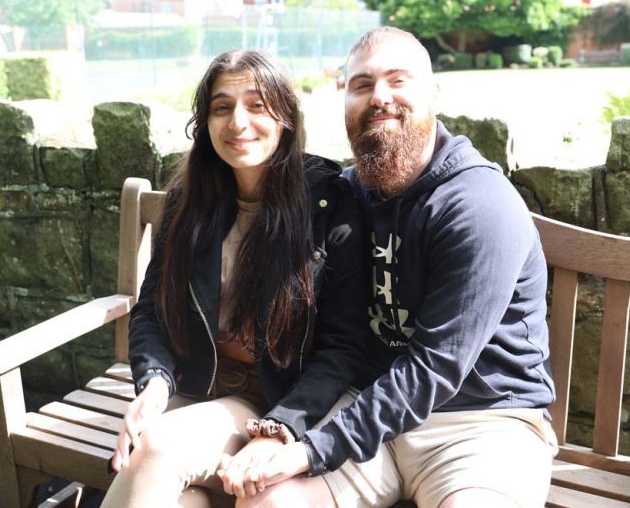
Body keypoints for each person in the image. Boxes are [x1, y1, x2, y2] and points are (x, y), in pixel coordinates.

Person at [220, 26, 558, 508]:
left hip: (480, 424)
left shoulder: (478, 206)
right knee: (265, 502)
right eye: (361, 85)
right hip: (364, 405)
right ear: (344, 101)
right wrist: (284, 424)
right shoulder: (346, 195)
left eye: (398, 80)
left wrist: (311, 449)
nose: (379, 97)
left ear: (434, 93)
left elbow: (435, 368)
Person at [100, 49, 367, 508]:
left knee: (155, 448)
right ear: (205, 122)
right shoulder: (190, 200)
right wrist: (155, 383)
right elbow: (150, 311)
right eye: (221, 108)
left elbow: (344, 348)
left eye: (257, 105)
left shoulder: (329, 204)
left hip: (276, 401)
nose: (237, 122)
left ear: (285, 116)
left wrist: (282, 425)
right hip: (196, 387)